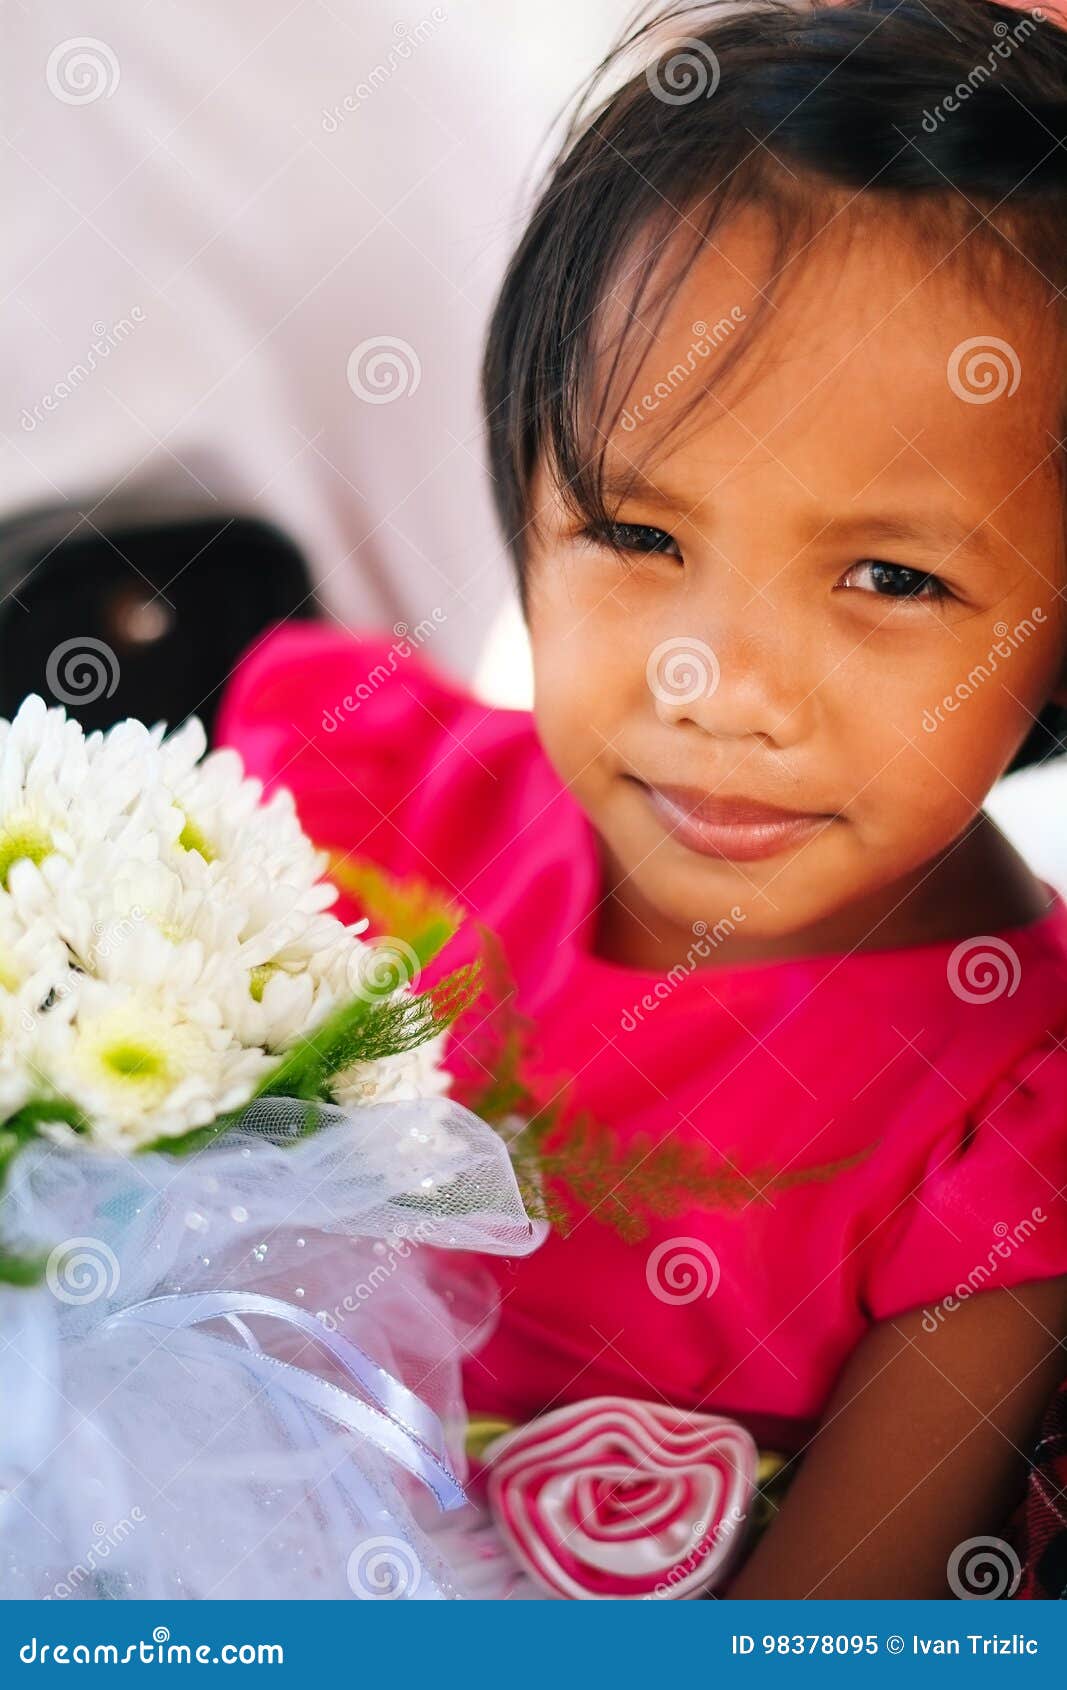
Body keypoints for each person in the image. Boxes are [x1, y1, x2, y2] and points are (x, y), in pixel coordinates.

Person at [218, 0, 1067, 1598]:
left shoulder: (1011, 1114)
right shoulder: (354, 816)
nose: (715, 688)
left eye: (891, 575)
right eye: (636, 533)